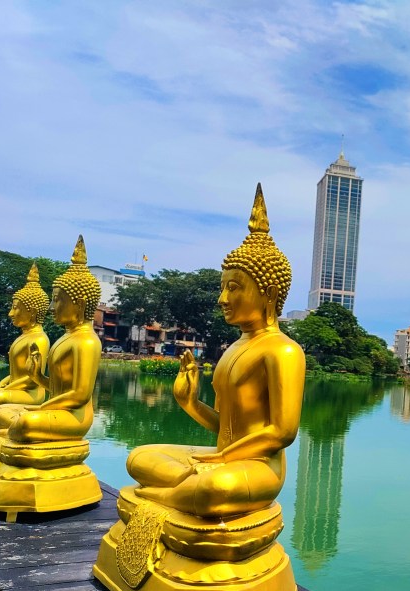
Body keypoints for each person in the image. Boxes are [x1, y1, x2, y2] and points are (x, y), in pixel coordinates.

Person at [123, 184, 305, 518]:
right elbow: (225, 426)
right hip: (222, 459)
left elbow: (282, 432)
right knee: (139, 456)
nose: (222, 299)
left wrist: (222, 460)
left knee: (214, 488)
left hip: (258, 468)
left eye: (233, 288)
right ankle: (181, 491)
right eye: (222, 288)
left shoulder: (284, 351)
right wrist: (189, 403)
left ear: (270, 291)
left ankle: (171, 495)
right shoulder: (234, 347)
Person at [0, 237, 101, 442]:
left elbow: (79, 395)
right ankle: (16, 430)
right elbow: (58, 390)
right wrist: (38, 377)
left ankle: (18, 431)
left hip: (75, 418)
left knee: (23, 422)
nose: (51, 307)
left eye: (57, 301)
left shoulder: (87, 342)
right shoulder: (66, 338)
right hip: (56, 409)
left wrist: (39, 409)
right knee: (0, 411)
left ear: (80, 304)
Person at [0, 264, 50, 412]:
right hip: (14, 389)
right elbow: (15, 374)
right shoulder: (23, 336)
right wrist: (3, 383)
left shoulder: (39, 339)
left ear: (32, 311)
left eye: (15, 308)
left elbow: (32, 380)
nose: (10, 314)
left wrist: (5, 389)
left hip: (30, 393)